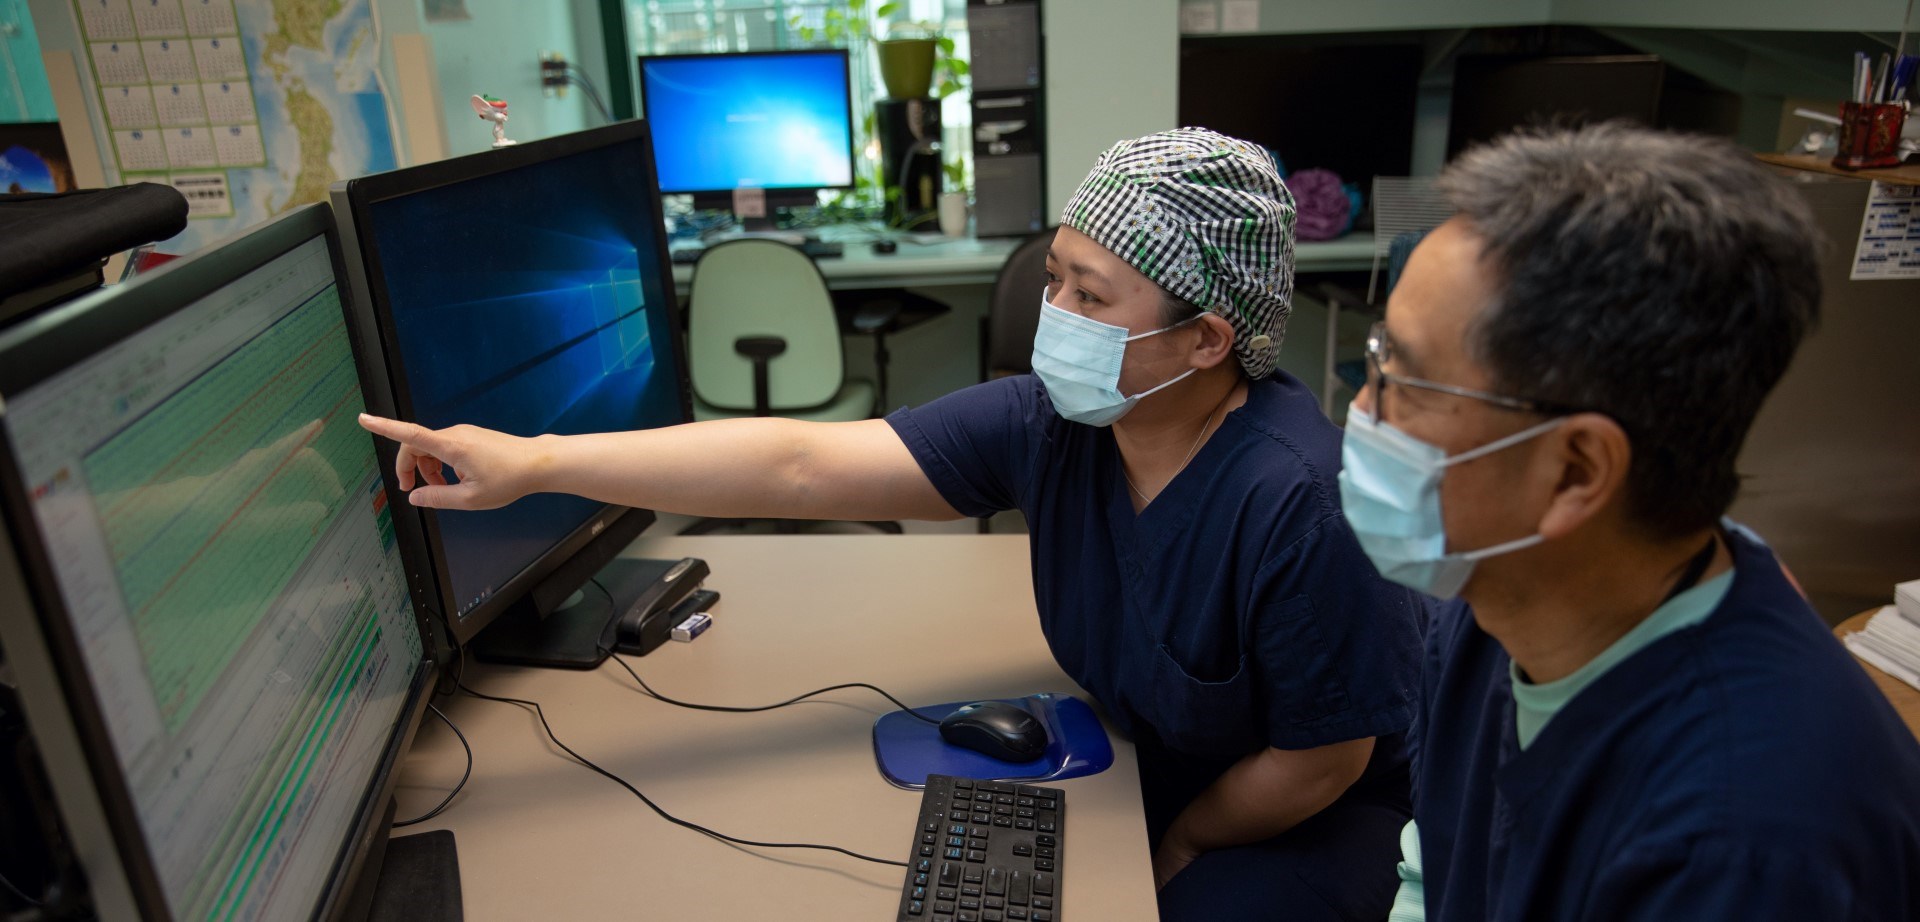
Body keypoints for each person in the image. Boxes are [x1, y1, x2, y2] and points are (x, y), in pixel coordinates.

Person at [360, 128, 1423, 919]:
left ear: (1203, 342)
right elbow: (800, 458)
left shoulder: (1297, 499)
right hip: (1153, 762)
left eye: (1091, 297)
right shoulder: (1055, 425)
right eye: (1052, 277)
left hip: (1290, 814)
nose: (1054, 314)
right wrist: (536, 463)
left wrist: (1183, 839)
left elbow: (1323, 757)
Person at [1342, 123, 1920, 921]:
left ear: (1576, 471)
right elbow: (1436, 874)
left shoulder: (1745, 843)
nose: (1361, 409)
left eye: (1405, 381)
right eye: (1379, 360)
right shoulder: (1494, 608)